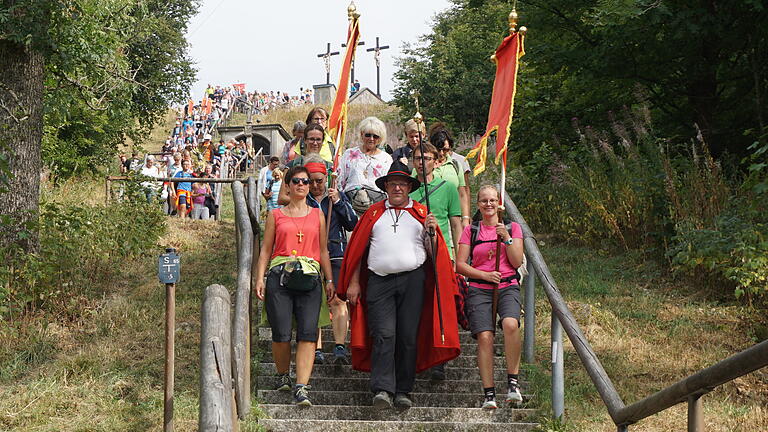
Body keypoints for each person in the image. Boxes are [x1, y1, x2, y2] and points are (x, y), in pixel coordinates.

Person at [336, 161, 461, 410]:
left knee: (407, 336)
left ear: (408, 187)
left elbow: (434, 256)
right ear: (386, 187)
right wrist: (352, 282)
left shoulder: (422, 215)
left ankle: (403, 389)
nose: (397, 188)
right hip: (378, 281)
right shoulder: (373, 214)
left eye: (401, 184)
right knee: (383, 334)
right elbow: (358, 250)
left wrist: (432, 234)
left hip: (413, 281)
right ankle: (383, 389)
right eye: (392, 184)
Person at [254, 166, 335, 407]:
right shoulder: (275, 215)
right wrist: (259, 278)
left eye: (306, 181)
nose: (301, 184)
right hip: (280, 275)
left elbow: (322, 250)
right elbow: (266, 250)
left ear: (310, 186)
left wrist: (329, 280)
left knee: (308, 333)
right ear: (287, 185)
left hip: (310, 276)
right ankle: (282, 375)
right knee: (280, 332)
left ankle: (302, 387)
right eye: (296, 181)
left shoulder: (317, 214)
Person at [455, 185, 524, 409]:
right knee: (485, 336)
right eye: (484, 201)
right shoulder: (471, 231)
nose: (488, 204)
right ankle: (489, 393)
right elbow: (460, 265)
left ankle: (513, 383)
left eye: (492, 200)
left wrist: (507, 239)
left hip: (507, 285)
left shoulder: (512, 228)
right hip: (479, 287)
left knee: (510, 324)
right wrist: (484, 274)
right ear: (478, 204)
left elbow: (517, 262)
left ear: (499, 203)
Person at [303, 155, 358, 365]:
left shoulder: (338, 196)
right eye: (311, 181)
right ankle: (315, 348)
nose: (316, 186)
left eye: (319, 181)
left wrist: (339, 202)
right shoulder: (302, 199)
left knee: (337, 299)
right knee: (313, 301)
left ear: (326, 179)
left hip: (336, 252)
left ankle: (339, 346)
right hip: (309, 253)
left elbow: (353, 223)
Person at [337, 117, 393, 215]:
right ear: (362, 134)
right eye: (368, 135)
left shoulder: (386, 159)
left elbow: (389, 185)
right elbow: (340, 180)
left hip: (378, 206)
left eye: (375, 136)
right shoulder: (349, 154)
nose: (371, 139)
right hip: (351, 205)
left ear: (380, 138)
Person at [430, 126, 471, 228]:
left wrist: (466, 218)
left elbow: (463, 193)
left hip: (454, 217)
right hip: (432, 217)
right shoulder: (424, 164)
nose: (441, 153)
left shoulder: (456, 164)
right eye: (438, 149)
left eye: (445, 150)